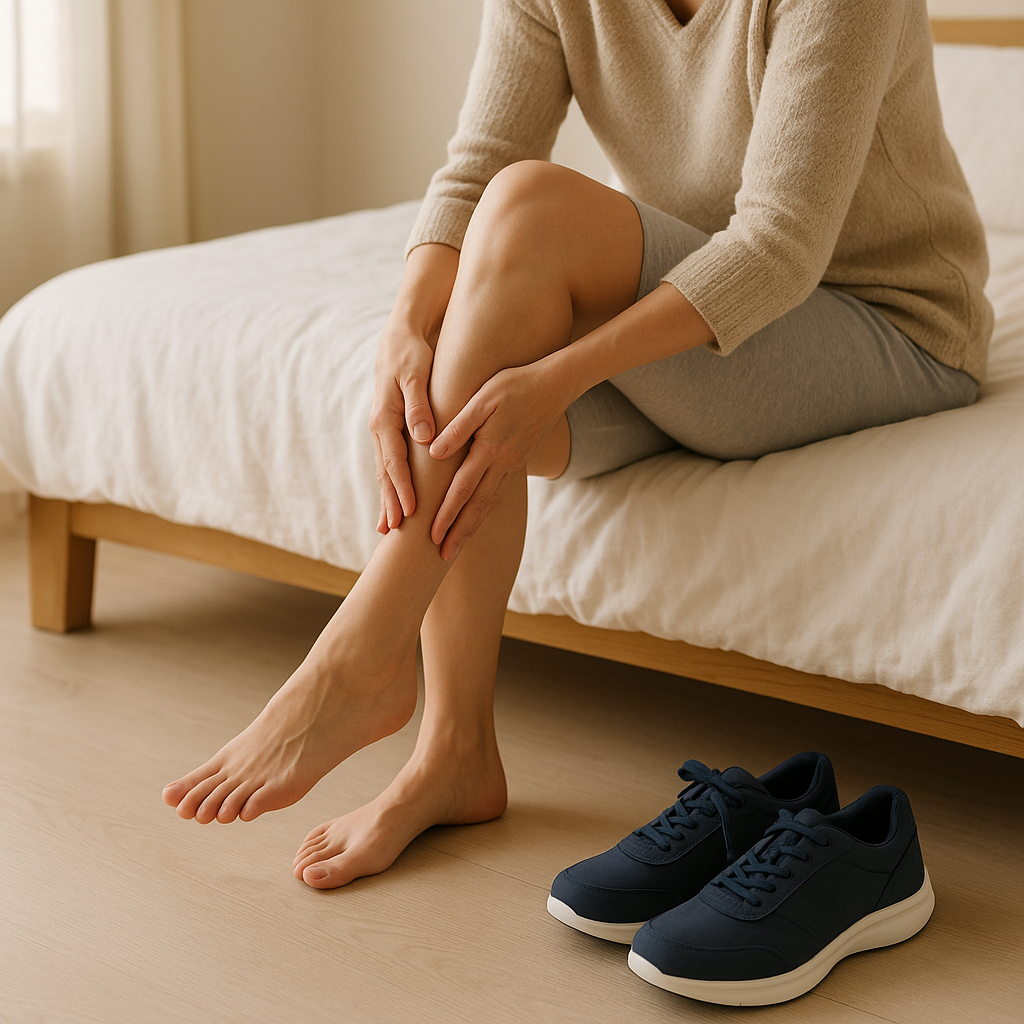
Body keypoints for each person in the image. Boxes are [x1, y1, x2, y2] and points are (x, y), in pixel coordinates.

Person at [161, 0, 991, 889]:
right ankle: (454, 753)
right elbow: (476, 166)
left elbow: (780, 245)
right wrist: (403, 330)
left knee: (532, 209)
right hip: (702, 334)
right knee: (470, 333)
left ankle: (360, 652)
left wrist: (558, 376)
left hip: (881, 326)